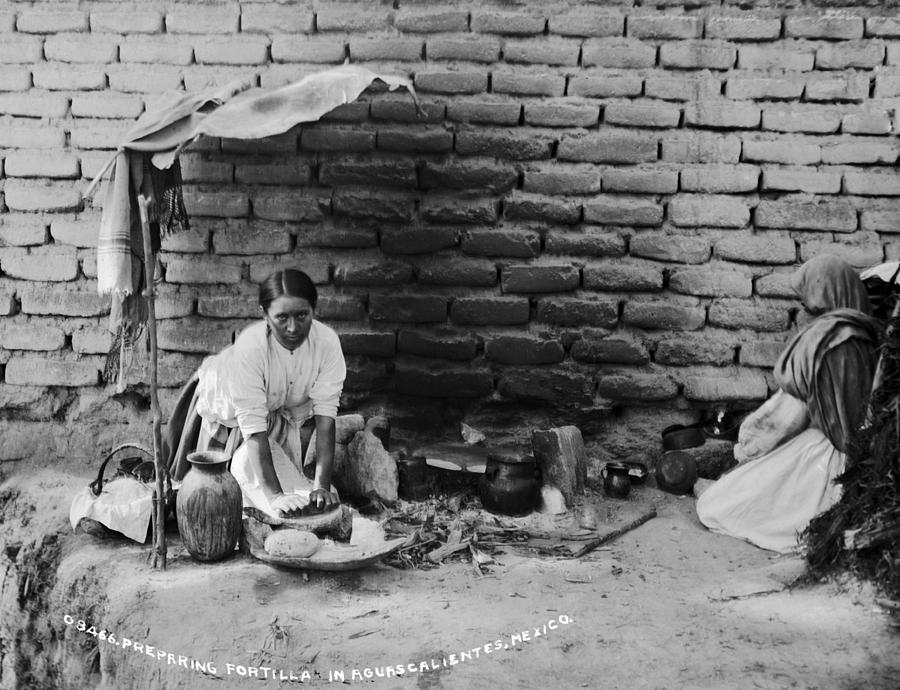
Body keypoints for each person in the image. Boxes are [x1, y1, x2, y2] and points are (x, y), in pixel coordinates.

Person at [695, 255, 880, 552]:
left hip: (823, 456)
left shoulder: (822, 339)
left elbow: (784, 419)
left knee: (716, 505)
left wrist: (745, 449)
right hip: (864, 459)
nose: (806, 308)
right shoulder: (870, 336)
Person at [164, 268, 346, 518]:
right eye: (282, 318)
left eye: (302, 315)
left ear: (314, 310)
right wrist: (276, 496)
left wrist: (321, 487)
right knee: (226, 495)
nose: (293, 328)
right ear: (265, 315)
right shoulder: (251, 349)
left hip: (271, 411)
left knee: (301, 495)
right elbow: (254, 433)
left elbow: (326, 420)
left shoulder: (326, 344)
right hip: (228, 412)